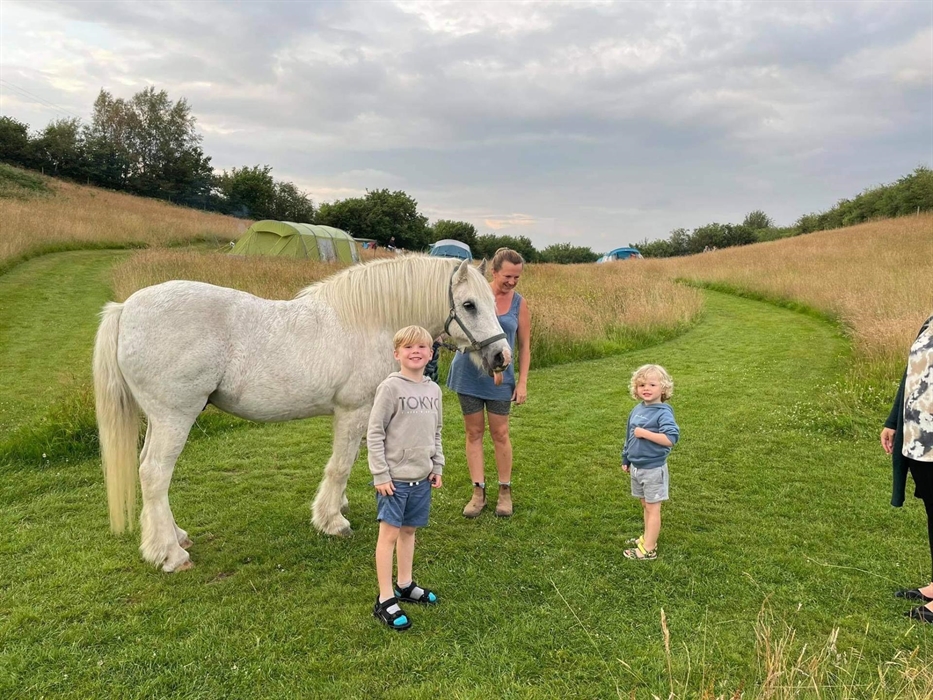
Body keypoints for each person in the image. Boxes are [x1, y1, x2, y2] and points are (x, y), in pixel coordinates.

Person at [367, 325, 444, 631]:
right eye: (408, 347)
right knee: (388, 535)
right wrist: (381, 474)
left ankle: (405, 584)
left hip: (421, 478)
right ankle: (385, 598)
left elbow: (436, 432)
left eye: (422, 347)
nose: (416, 352)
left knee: (409, 531)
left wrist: (436, 466)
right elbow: (374, 433)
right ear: (396, 354)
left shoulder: (433, 390)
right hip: (394, 481)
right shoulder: (390, 388)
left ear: (431, 352)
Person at [447, 247, 531, 518]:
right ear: (493, 272)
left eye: (517, 277)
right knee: (473, 433)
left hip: (500, 379)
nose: (512, 282)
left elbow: (525, 347)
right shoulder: (476, 297)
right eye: (508, 276)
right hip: (467, 375)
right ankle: (478, 491)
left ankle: (504, 490)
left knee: (501, 434)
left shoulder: (519, 303)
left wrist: (523, 382)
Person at [882, 311, 933, 623]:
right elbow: (911, 374)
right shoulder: (930, 321)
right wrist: (892, 422)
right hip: (919, 438)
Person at [621, 364, 680, 561]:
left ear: (663, 389)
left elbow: (671, 438)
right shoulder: (637, 409)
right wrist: (626, 458)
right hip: (637, 468)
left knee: (653, 508)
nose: (646, 388)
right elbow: (629, 436)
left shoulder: (663, 412)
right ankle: (647, 538)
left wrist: (645, 433)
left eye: (652, 384)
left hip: (653, 469)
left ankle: (649, 549)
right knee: (645, 504)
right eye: (641, 385)